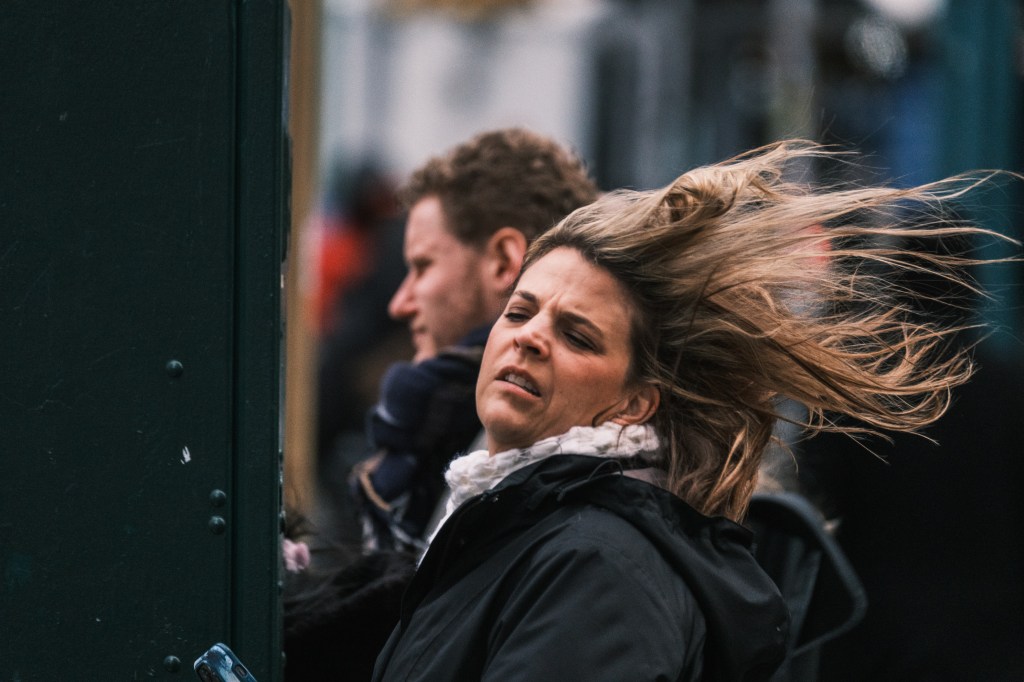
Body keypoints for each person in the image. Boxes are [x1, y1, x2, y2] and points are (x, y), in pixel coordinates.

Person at [370, 140, 1016, 681]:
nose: (530, 335)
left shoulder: (597, 566)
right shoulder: (500, 520)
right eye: (520, 310)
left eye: (578, 335)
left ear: (635, 404)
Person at [350, 127, 600, 553]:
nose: (400, 302)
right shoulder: (447, 427)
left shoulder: (509, 445)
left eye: (422, 266)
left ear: (505, 261)